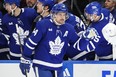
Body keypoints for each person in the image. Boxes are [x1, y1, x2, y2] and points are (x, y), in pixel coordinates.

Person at [19, 3, 92, 77]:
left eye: (64, 14)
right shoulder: (43, 24)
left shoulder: (69, 28)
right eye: (60, 14)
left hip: (58, 66)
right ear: (53, 14)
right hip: (42, 64)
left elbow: (78, 46)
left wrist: (85, 39)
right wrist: (26, 57)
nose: (63, 17)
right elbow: (31, 42)